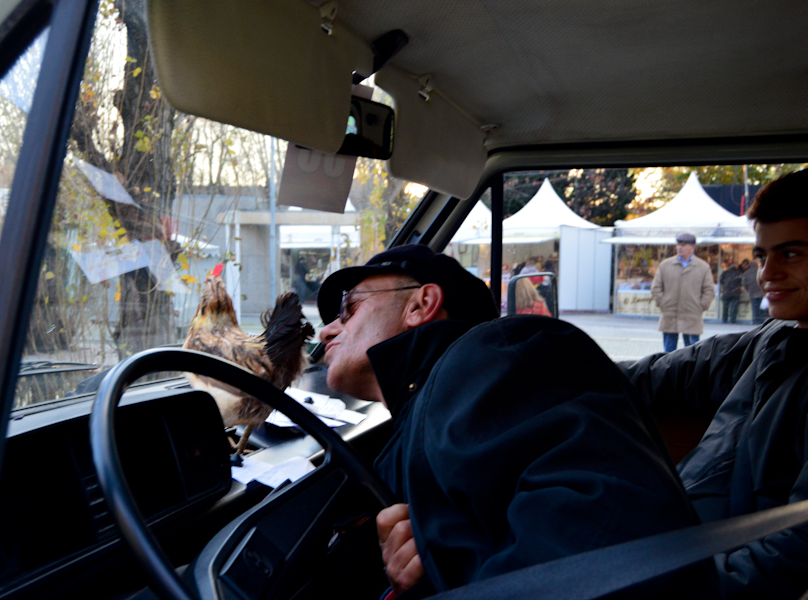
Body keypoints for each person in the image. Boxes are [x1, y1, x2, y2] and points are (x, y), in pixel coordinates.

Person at [316, 244, 717, 599]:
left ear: (421, 305)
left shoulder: (490, 359)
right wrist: (428, 576)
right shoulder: (424, 412)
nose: (326, 329)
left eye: (348, 308)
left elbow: (609, 553)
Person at [620, 168, 808, 599]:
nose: (766, 274)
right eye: (762, 256)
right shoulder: (776, 337)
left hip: (710, 565)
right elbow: (673, 371)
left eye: (791, 254)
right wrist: (564, 374)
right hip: (681, 534)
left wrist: (682, 587)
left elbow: (796, 548)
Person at [651, 232, 715, 352]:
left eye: (683, 245)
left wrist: (700, 306)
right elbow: (656, 288)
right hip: (670, 314)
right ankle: (670, 372)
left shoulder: (702, 267)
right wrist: (663, 303)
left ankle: (690, 371)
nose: (679, 247)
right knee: (668, 355)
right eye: (678, 244)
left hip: (692, 315)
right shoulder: (666, 265)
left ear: (693, 247)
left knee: (692, 354)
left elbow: (709, 290)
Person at [740, 258, 766, 324]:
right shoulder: (760, 271)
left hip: (752, 292)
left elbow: (744, 284)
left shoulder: (746, 273)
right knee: (761, 308)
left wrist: (748, 289)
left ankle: (755, 320)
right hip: (760, 292)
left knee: (754, 308)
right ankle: (762, 321)